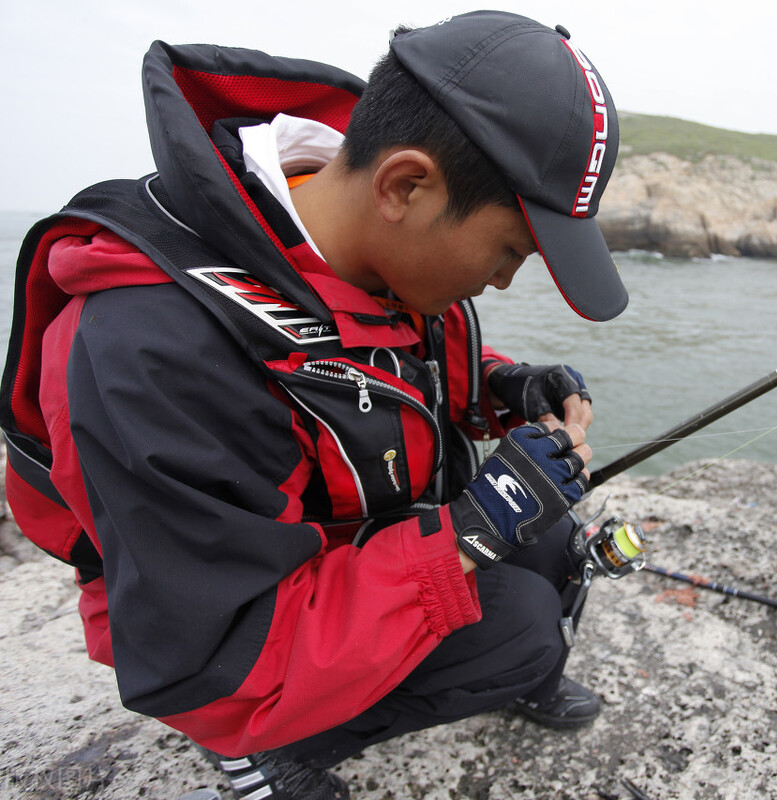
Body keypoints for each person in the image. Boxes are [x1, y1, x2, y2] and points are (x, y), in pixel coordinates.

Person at [0, 11, 626, 800]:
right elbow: (223, 653)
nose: (504, 281)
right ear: (405, 184)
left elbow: (373, 359)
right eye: (510, 251)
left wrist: (502, 390)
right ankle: (259, 751)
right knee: (521, 629)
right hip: (219, 625)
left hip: (336, 539)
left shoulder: (360, 241)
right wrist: (472, 530)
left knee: (555, 542)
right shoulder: (151, 346)